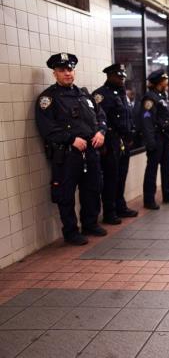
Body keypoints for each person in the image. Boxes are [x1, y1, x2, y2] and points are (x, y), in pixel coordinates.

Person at [36, 53, 108, 245]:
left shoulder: (84, 94)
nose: (67, 73)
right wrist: (70, 139)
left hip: (91, 151)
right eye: (62, 70)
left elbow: (101, 116)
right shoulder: (48, 98)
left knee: (92, 189)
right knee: (66, 194)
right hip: (68, 154)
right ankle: (71, 232)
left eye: (70, 69)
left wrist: (101, 131)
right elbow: (47, 128)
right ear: (55, 74)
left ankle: (90, 224)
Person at [92, 63, 130, 225]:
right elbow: (98, 119)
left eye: (123, 76)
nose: (121, 79)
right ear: (109, 76)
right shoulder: (100, 95)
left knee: (121, 176)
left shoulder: (121, 94)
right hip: (109, 141)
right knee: (110, 178)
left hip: (122, 140)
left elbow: (127, 117)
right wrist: (104, 144)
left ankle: (120, 206)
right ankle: (109, 212)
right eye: (118, 76)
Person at [140, 69, 169, 209]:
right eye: (165, 81)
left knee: (167, 167)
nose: (167, 83)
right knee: (152, 170)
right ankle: (149, 199)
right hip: (156, 138)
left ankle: (167, 193)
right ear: (159, 83)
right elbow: (147, 121)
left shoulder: (162, 96)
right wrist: (150, 141)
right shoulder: (150, 98)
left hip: (166, 138)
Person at [115, 87, 139, 219]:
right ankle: (112, 210)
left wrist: (130, 135)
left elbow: (130, 118)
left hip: (124, 142)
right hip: (113, 143)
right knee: (113, 178)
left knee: (122, 175)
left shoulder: (123, 98)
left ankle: (120, 205)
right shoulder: (105, 95)